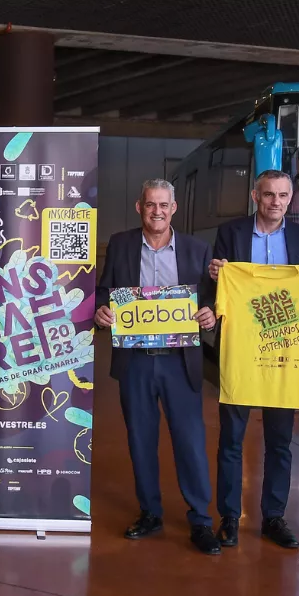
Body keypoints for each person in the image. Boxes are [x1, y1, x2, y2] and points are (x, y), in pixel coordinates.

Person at [207, 169, 299, 549]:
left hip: (286, 354)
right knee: (231, 440)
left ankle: (274, 517)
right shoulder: (230, 234)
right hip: (241, 352)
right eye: (268, 195)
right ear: (255, 196)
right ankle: (230, 517)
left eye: (282, 195)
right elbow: (217, 286)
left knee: (280, 442)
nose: (275, 202)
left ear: (290, 198)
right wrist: (215, 274)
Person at [95, 178, 221, 555]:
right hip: (135, 362)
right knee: (140, 440)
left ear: (173, 208)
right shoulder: (120, 245)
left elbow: (212, 298)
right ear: (140, 207)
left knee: (190, 442)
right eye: (150, 204)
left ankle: (200, 520)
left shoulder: (198, 250)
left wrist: (210, 314)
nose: (157, 211)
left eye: (164, 205)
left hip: (180, 363)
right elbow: (104, 290)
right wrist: (101, 311)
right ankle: (150, 512)